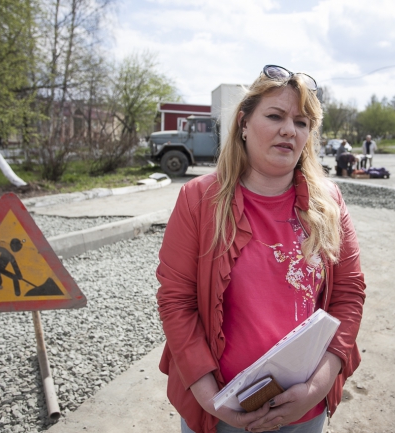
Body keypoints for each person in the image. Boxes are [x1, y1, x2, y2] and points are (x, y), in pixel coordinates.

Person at [156, 65, 366, 433]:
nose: (289, 130)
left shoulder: (329, 202)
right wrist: (211, 400)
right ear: (243, 123)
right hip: (221, 410)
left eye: (301, 122)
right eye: (275, 116)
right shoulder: (198, 199)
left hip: (303, 412)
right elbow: (177, 301)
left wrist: (318, 386)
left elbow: (349, 294)